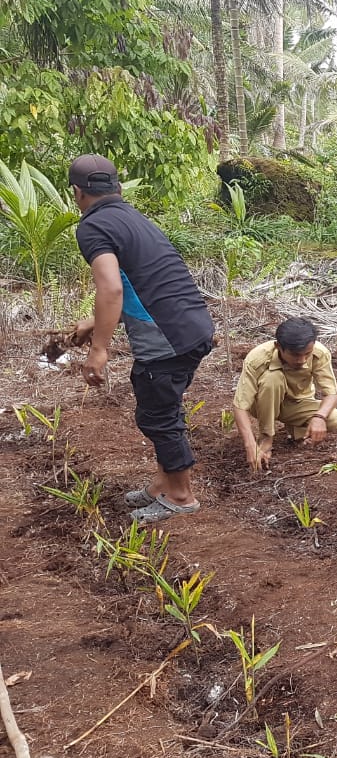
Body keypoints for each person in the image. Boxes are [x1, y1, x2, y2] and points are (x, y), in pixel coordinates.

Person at [69, 153, 215, 524]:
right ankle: (162, 484)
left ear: (77, 193)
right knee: (158, 407)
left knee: (158, 415)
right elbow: (141, 281)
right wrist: (93, 321)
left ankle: (181, 495)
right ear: (117, 187)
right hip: (191, 326)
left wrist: (99, 350)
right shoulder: (131, 217)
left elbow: (112, 289)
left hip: (166, 337)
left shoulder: (93, 226)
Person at [232, 317, 337, 471]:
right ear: (278, 346)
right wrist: (250, 444)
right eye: (295, 355)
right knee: (272, 379)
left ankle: (298, 433)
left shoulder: (320, 353)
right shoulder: (258, 358)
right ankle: (266, 438)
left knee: (335, 419)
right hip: (263, 405)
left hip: (297, 404)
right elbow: (240, 406)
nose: (302, 360)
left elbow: (331, 394)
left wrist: (319, 417)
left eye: (307, 354)